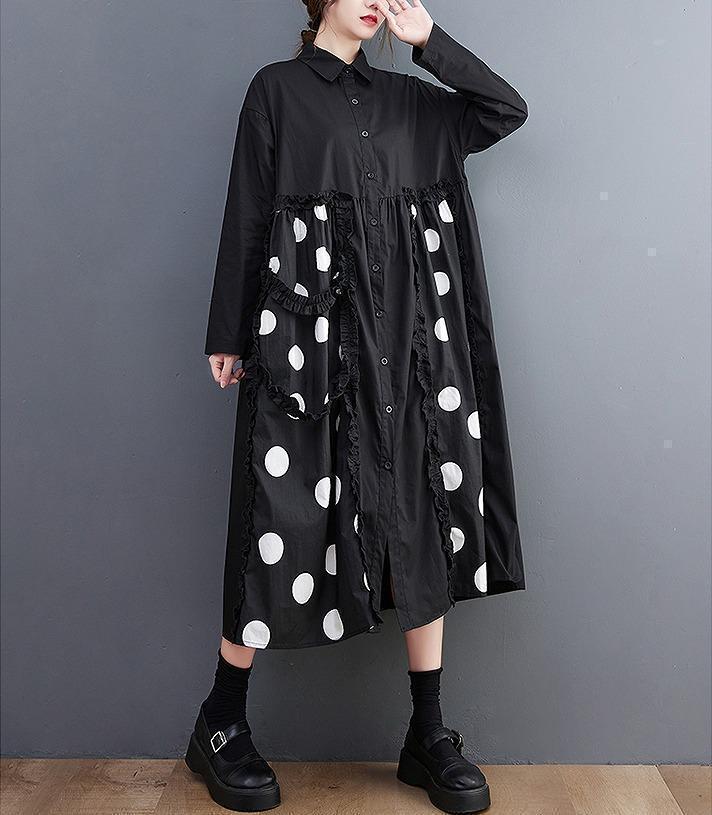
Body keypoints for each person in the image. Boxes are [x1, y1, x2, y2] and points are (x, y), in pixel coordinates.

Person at [186, 0, 528, 811]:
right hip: (307, 346)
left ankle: (427, 732)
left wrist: (430, 43)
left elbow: (504, 110)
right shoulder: (276, 91)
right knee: (279, 509)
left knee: (420, 511)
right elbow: (249, 209)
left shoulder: (413, 101)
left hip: (409, 354)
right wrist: (227, 329)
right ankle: (221, 719)